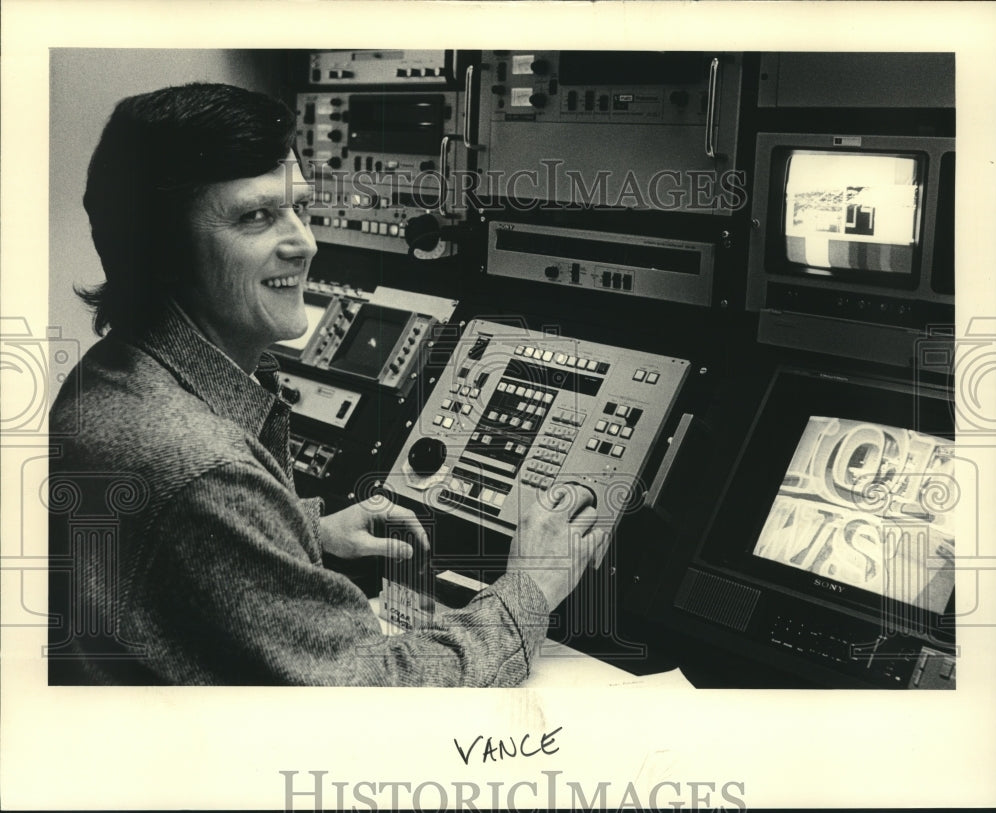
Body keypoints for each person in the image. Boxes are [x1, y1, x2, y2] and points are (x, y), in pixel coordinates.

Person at [48, 82, 607, 686]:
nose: (305, 243)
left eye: (298, 209)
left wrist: (295, 531)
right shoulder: (205, 470)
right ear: (160, 251)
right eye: (256, 217)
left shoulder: (108, 375)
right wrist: (530, 588)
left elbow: (166, 550)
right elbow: (370, 701)